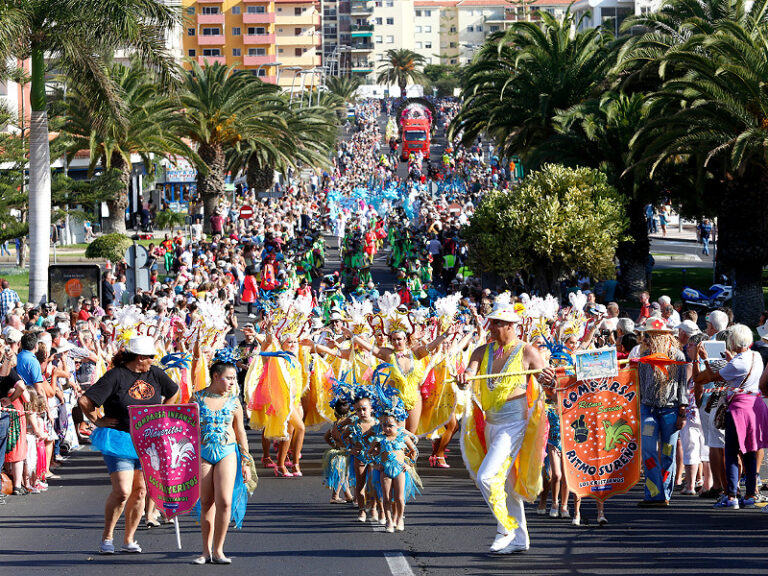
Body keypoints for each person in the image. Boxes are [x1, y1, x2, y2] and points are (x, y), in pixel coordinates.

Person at [457, 302, 551, 555]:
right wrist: (464, 378)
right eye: (491, 322)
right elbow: (469, 373)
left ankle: (505, 527)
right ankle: (521, 539)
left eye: (498, 323)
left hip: (515, 425)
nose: (492, 327)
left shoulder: (528, 352)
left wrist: (551, 380)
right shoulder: (481, 351)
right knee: (506, 485)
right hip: (491, 423)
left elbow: (546, 383)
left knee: (487, 477)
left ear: (511, 326)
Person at [78, 336, 179, 554]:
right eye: (150, 357)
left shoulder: (156, 373)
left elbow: (174, 392)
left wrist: (161, 414)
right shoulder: (116, 375)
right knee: (123, 491)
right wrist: (98, 420)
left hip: (147, 440)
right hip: (119, 439)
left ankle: (129, 539)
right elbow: (85, 401)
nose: (153, 360)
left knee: (141, 490)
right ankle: (107, 537)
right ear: (140, 358)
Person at [695, 324, 768, 509]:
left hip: (738, 408)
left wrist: (704, 358)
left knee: (732, 451)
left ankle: (731, 496)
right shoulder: (756, 356)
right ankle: (751, 494)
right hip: (755, 405)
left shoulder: (737, 363)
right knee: (750, 451)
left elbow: (713, 376)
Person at [192, 355, 252, 565]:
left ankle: (219, 550)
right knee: (206, 502)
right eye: (229, 378)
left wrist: (245, 462)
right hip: (203, 453)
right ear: (216, 377)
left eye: (234, 379)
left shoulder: (234, 401)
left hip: (227, 451)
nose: (232, 383)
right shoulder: (196, 399)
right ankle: (205, 551)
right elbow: (186, 430)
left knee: (225, 502)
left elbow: (241, 433)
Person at [636, 318, 688, 507]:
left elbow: (683, 385)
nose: (648, 339)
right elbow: (640, 385)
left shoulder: (677, 357)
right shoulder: (644, 356)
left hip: (671, 410)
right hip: (648, 410)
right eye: (647, 335)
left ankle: (664, 493)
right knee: (649, 450)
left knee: (668, 452)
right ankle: (654, 493)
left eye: (652, 335)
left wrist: (682, 412)